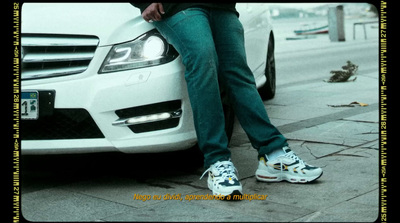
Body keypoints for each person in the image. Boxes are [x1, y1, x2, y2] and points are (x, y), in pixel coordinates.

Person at [131, 3, 323, 197]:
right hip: (178, 6)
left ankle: (273, 155)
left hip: (222, 7)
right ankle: (217, 161)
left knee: (239, 74)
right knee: (203, 61)